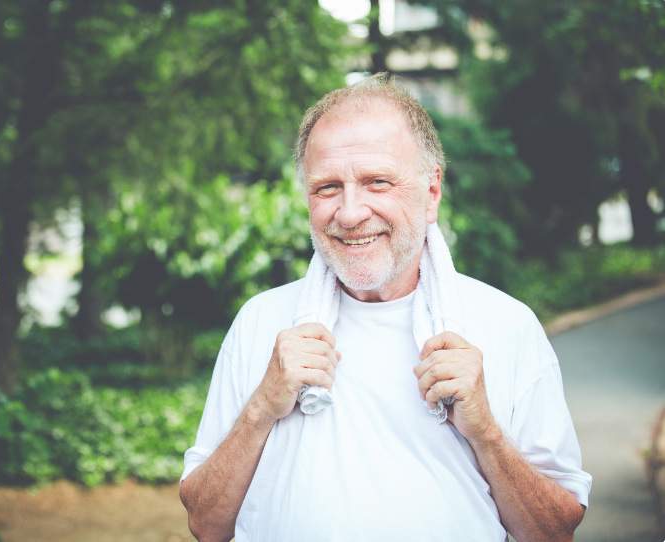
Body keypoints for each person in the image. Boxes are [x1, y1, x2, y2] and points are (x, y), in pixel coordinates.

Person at [179, 73, 591, 542]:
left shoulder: (507, 325)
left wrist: (487, 434)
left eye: (377, 182)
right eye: (327, 187)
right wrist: (261, 408)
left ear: (431, 192)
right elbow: (205, 524)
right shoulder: (260, 322)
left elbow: (555, 531)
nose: (350, 213)